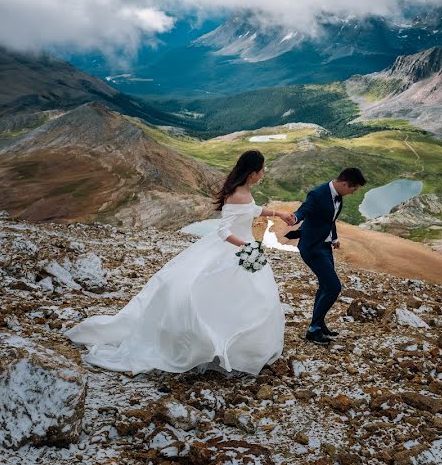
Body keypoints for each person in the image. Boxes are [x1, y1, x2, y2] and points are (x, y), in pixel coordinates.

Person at [66, 150, 292, 375]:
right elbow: (223, 231)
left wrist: (278, 213)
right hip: (234, 250)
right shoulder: (235, 194)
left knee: (248, 298)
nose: (263, 173)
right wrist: (245, 246)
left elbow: (251, 210)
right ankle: (214, 345)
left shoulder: (244, 191)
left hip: (244, 249)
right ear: (252, 173)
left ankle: (239, 348)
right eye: (262, 169)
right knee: (213, 295)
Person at [285, 168, 367, 345]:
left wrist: (334, 238)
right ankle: (313, 330)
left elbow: (329, 220)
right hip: (312, 247)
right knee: (333, 287)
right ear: (345, 184)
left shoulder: (338, 196)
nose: (353, 193)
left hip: (325, 245)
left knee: (324, 285)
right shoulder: (317, 193)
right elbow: (304, 210)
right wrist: (295, 217)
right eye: (353, 189)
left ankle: (319, 324)